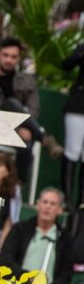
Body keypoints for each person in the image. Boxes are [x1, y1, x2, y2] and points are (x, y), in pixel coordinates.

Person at [0, 37, 62, 182]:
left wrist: (20, 126)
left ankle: (17, 186)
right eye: (5, 55)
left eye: (13, 57)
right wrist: (9, 119)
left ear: (18, 59)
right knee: (11, 102)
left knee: (26, 145)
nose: (9, 60)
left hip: (22, 130)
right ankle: (43, 137)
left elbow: (34, 108)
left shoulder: (27, 81)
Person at [61, 43, 84, 210]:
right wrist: (78, 54)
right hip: (78, 104)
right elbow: (66, 65)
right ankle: (67, 198)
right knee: (72, 150)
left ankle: (82, 200)